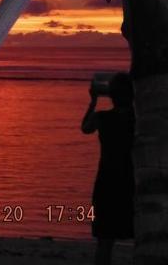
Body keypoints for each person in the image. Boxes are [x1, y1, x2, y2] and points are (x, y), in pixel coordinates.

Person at [82, 72, 135, 265]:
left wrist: (93, 101)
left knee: (105, 239)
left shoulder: (103, 118)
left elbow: (85, 128)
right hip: (130, 178)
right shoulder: (137, 120)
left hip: (107, 178)